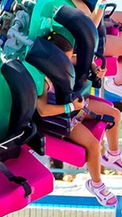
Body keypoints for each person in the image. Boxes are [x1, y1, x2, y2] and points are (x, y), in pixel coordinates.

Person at [36, 33, 117, 207]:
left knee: (114, 113)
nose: (69, 61)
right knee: (94, 146)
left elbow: (83, 60)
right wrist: (70, 108)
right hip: (61, 119)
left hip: (76, 105)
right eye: (66, 59)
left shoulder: (65, 62)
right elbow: (42, 111)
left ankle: (114, 155)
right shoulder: (43, 79)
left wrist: (96, 68)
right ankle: (96, 184)